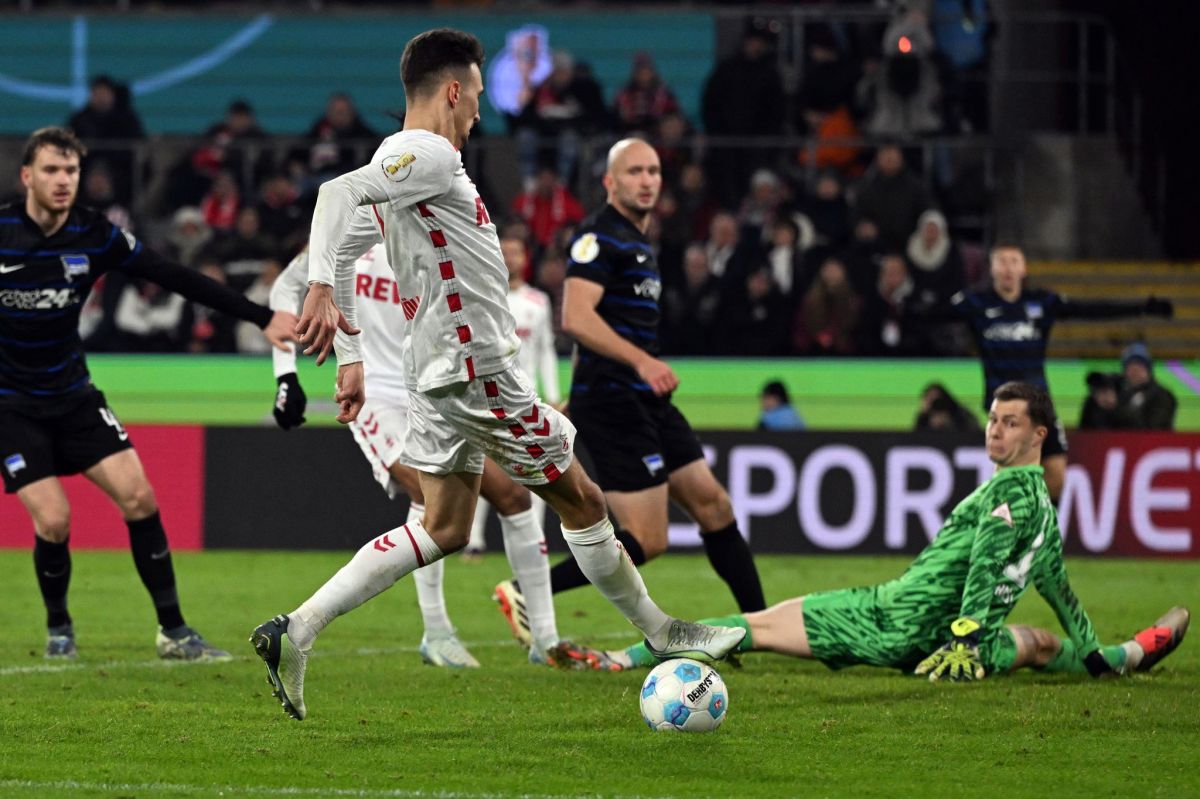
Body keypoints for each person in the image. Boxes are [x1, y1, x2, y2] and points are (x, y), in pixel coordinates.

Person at [249, 29, 745, 721]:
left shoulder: (411, 172)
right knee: (584, 501)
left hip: (435, 379)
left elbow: (347, 245)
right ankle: (664, 632)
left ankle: (295, 629)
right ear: (455, 90)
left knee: (445, 526)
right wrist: (323, 299)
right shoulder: (425, 154)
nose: (482, 108)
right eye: (479, 93)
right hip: (475, 369)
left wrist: (354, 351)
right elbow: (334, 196)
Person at [608, 382, 1190, 680]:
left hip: (891, 619)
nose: (994, 431)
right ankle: (1127, 655)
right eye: (991, 419)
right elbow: (1058, 587)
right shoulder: (1041, 501)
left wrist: (963, 635)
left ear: (1040, 436)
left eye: (1009, 423)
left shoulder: (1005, 495)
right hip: (960, 637)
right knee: (1039, 644)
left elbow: (986, 563)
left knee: (751, 626)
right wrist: (1087, 651)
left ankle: (625, 657)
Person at [0, 127, 295, 660]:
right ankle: (59, 627)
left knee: (140, 498)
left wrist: (262, 316)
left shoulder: (95, 234)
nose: (63, 180)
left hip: (74, 398)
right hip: (11, 406)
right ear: (27, 176)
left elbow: (177, 276)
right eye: (50, 170)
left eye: (70, 171)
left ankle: (174, 632)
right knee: (55, 519)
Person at [268, 234, 608, 670]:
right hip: (375, 395)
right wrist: (285, 375)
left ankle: (546, 639)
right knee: (432, 501)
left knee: (515, 495)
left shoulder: (431, 232)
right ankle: (437, 632)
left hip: (431, 389)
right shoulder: (344, 236)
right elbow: (285, 289)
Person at [556, 137, 767, 615]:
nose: (647, 180)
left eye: (653, 171)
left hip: (643, 397)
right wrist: (642, 362)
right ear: (610, 182)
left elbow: (603, 324)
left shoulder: (639, 241)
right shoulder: (598, 237)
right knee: (648, 539)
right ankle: (529, 593)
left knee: (715, 506)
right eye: (634, 172)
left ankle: (759, 625)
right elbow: (576, 317)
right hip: (615, 400)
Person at [928, 243, 1173, 500]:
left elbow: (1089, 309)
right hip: (1004, 405)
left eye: (1014, 261)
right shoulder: (976, 303)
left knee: (1056, 474)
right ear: (992, 269)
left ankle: (1038, 533)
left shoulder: (1041, 302)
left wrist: (1142, 307)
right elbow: (932, 315)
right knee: (1017, 474)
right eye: (1001, 261)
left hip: (1040, 403)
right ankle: (1009, 533)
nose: (1008, 268)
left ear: (1024, 269)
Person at [465, 233, 561, 561]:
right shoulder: (481, 296)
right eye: (504, 252)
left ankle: (535, 543)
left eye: (516, 252)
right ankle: (474, 539)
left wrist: (553, 395)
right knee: (481, 466)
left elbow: (546, 349)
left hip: (527, 398)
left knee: (540, 467)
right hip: (486, 397)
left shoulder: (538, 301)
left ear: (525, 257)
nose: (510, 259)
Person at [1079, 343, 1178, 431]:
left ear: (1148, 369)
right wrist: (1098, 404)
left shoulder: (1161, 395)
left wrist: (1114, 408)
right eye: (1130, 365)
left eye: (1139, 364)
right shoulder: (1120, 390)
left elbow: (1153, 429)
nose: (1134, 370)